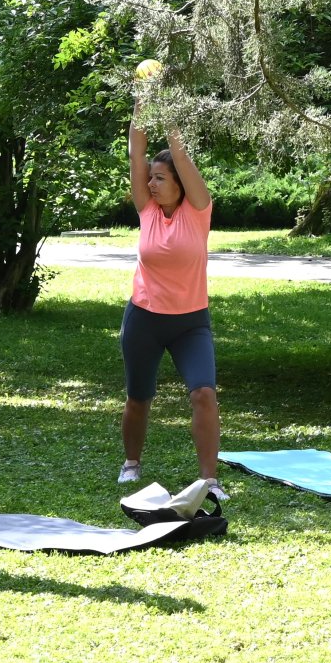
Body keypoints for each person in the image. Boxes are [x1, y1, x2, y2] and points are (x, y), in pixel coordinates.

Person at [117, 88, 221, 501]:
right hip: (144, 317)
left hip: (190, 322)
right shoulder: (146, 210)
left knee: (204, 392)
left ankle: (210, 480)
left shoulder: (198, 211)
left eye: (160, 178)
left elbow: (178, 154)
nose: (151, 183)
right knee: (138, 397)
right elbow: (136, 151)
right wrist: (145, 102)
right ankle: (131, 463)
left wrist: (170, 113)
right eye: (150, 179)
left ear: (180, 182)